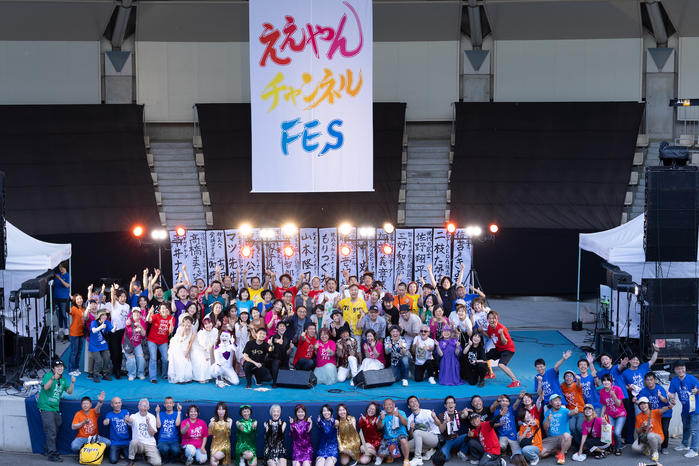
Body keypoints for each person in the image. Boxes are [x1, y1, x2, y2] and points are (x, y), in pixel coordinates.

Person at [39, 359, 76, 462]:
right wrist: (52, 378)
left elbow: (69, 391)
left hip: (55, 408)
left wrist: (72, 383)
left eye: (61, 366)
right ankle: (52, 454)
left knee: (56, 427)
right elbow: (45, 388)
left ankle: (47, 449)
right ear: (53, 368)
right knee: (51, 430)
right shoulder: (48, 376)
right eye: (57, 367)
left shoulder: (63, 380)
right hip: (46, 407)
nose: (60, 368)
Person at [669, 359, 699, 458]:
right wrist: (671, 397)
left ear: (685, 368)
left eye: (682, 368)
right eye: (678, 369)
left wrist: (697, 391)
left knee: (694, 430)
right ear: (675, 370)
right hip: (685, 409)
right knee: (686, 428)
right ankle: (685, 444)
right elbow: (672, 393)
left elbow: (698, 389)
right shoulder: (674, 380)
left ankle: (694, 449)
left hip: (696, 408)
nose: (680, 370)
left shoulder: (692, 379)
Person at [638, 371, 672, 454]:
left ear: (654, 380)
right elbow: (640, 401)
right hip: (653, 415)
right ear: (645, 381)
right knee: (650, 430)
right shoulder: (643, 390)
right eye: (647, 380)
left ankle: (664, 447)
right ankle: (650, 446)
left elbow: (665, 401)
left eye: (651, 379)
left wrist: (660, 396)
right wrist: (635, 400)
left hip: (664, 413)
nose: (649, 381)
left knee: (664, 429)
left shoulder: (660, 388)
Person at [483, 310, 519, 387]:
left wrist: (501, 334)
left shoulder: (502, 328)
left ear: (497, 319)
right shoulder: (489, 327)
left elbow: (505, 342)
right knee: (484, 357)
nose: (492, 320)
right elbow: (489, 336)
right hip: (499, 349)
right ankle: (490, 373)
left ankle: (515, 381)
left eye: (493, 318)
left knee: (501, 364)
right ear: (487, 319)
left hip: (508, 349)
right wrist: (482, 331)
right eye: (490, 318)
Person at [633, 396, 673, 462]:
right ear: (639, 406)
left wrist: (670, 406)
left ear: (648, 404)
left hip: (658, 437)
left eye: (645, 403)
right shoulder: (638, 416)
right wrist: (642, 427)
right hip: (646, 438)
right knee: (635, 447)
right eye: (641, 404)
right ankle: (648, 447)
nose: (643, 406)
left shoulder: (655, 412)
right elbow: (638, 432)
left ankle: (655, 452)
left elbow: (663, 409)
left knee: (650, 435)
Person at [406, 396, 441, 466]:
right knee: (405, 447)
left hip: (434, 438)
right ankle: (429, 450)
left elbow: (439, 424)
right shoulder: (409, 419)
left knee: (417, 432)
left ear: (418, 403)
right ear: (409, 406)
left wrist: (434, 417)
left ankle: (418, 458)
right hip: (422, 441)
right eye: (411, 402)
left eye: (415, 401)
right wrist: (411, 428)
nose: (414, 403)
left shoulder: (427, 412)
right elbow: (411, 436)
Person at [127, 398, 162, 466]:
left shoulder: (152, 417)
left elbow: (152, 433)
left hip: (150, 444)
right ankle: (131, 460)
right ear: (138, 407)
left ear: (148, 408)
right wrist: (127, 419)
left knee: (157, 463)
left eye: (145, 406)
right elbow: (130, 421)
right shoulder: (134, 416)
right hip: (139, 444)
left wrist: (148, 424)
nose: (143, 408)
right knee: (133, 441)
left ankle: (147, 456)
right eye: (141, 406)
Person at [599, 373, 627, 456]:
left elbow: (618, 404)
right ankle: (611, 447)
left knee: (617, 432)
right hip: (610, 414)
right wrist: (602, 415)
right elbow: (604, 405)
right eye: (604, 381)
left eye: (608, 380)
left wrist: (614, 395)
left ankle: (618, 447)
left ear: (611, 381)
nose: (606, 382)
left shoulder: (617, 389)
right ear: (602, 382)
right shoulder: (602, 391)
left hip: (620, 414)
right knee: (609, 431)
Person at [377, 398, 410, 466]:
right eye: (386, 405)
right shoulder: (382, 414)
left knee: (403, 440)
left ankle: (406, 460)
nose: (388, 406)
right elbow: (379, 428)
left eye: (390, 404)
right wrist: (380, 419)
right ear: (383, 406)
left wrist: (399, 415)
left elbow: (405, 423)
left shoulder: (400, 412)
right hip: (388, 438)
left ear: (394, 405)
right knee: (381, 455)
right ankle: (390, 455)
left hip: (400, 435)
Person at [146, 303, 174, 383]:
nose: (164, 310)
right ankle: (153, 377)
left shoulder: (171, 318)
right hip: (152, 340)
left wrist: (171, 324)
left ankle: (164, 374)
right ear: (160, 310)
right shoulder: (156, 316)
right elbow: (148, 320)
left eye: (166, 308)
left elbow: (170, 332)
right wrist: (150, 313)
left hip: (163, 341)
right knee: (153, 358)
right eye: (163, 308)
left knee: (165, 358)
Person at [541, 394, 572, 464]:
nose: (558, 402)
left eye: (559, 400)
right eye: (555, 401)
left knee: (567, 435)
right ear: (551, 403)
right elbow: (545, 428)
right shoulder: (548, 412)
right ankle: (556, 449)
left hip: (562, 438)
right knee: (541, 454)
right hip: (551, 438)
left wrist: (574, 411)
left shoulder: (565, 410)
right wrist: (548, 419)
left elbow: (571, 413)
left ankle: (561, 454)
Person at [108, 287, 131, 379]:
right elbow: (113, 297)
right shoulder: (115, 304)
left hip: (124, 332)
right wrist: (113, 290)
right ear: (118, 297)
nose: (123, 298)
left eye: (125, 296)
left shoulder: (127, 306)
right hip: (114, 332)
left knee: (121, 352)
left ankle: (119, 368)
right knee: (115, 351)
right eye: (121, 296)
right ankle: (116, 370)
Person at [438, 395, 468, 461]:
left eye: (452, 402)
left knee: (468, 436)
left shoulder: (458, 413)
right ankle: (448, 451)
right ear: (445, 405)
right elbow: (441, 430)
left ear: (455, 404)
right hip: (447, 440)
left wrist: (465, 413)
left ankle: (462, 452)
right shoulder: (441, 415)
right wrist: (445, 422)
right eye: (448, 403)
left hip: (457, 439)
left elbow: (463, 416)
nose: (450, 404)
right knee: (445, 458)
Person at [168, 315, 195, 383]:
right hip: (178, 346)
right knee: (180, 362)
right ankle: (179, 378)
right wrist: (184, 328)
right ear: (183, 323)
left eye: (190, 322)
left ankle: (187, 378)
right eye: (187, 322)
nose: (188, 324)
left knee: (187, 361)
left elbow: (191, 343)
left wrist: (187, 352)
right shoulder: (180, 329)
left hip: (186, 347)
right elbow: (180, 338)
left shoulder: (192, 331)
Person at [490, 395, 518, 459]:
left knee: (517, 454)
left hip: (512, 435)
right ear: (500, 403)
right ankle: (504, 451)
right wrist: (499, 424)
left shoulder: (511, 409)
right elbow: (492, 424)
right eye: (503, 401)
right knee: (501, 446)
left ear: (509, 403)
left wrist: (519, 398)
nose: (504, 402)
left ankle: (510, 449)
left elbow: (516, 404)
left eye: (506, 401)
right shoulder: (497, 412)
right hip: (503, 435)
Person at [560, 370, 585, 443]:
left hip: (580, 410)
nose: (569, 378)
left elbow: (579, 384)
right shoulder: (563, 386)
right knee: (571, 428)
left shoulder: (576, 385)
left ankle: (584, 443)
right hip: (571, 412)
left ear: (574, 379)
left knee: (579, 427)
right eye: (567, 376)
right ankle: (579, 444)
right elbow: (557, 385)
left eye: (571, 376)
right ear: (564, 379)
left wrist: (578, 379)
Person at [89, 309, 113, 383]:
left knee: (107, 358)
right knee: (98, 360)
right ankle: (95, 375)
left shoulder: (107, 322)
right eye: (102, 315)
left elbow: (112, 330)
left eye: (105, 315)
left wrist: (115, 327)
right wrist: (101, 327)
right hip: (94, 345)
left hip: (103, 344)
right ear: (99, 316)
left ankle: (105, 374)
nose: (104, 316)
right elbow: (93, 330)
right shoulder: (94, 322)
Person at [105, 396, 131, 464]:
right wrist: (106, 422)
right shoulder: (109, 414)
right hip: (115, 442)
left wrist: (129, 421)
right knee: (113, 460)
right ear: (112, 405)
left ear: (121, 403)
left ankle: (121, 452)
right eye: (116, 403)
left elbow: (131, 423)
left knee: (130, 459)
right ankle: (119, 452)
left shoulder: (125, 412)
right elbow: (106, 421)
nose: (118, 405)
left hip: (126, 441)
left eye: (119, 403)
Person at [123, 308, 147, 381]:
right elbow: (127, 324)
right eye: (134, 312)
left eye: (138, 312)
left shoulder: (142, 321)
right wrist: (133, 326)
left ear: (140, 314)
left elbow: (144, 334)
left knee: (141, 358)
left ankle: (140, 373)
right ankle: (131, 374)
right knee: (131, 359)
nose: (136, 314)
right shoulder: (129, 320)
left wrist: (140, 326)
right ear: (132, 314)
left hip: (137, 343)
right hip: (127, 344)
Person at [156, 397, 182, 464]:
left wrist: (179, 411)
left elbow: (177, 424)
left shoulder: (177, 414)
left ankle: (173, 458)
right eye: (167, 403)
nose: (168, 405)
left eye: (170, 403)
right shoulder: (161, 414)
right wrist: (157, 413)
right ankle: (165, 458)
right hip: (163, 440)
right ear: (164, 404)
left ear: (173, 404)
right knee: (164, 449)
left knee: (176, 450)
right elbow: (158, 426)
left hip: (174, 440)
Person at [192, 317, 218, 383]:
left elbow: (214, 340)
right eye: (206, 324)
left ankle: (207, 375)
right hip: (199, 348)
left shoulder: (215, 330)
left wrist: (210, 347)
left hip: (209, 347)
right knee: (203, 359)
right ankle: (201, 377)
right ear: (203, 325)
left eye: (209, 323)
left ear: (212, 323)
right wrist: (207, 351)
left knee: (210, 358)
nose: (208, 325)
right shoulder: (201, 332)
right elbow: (202, 344)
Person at [268, 321, 292, 385]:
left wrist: (291, 348)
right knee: (276, 362)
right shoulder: (272, 337)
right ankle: (274, 382)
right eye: (280, 326)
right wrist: (276, 342)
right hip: (272, 359)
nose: (282, 328)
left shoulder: (287, 339)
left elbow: (287, 353)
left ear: (285, 329)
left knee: (286, 380)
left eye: (283, 326)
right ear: (277, 328)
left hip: (283, 360)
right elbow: (271, 346)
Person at [208, 402, 233, 466]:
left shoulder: (229, 420)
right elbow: (209, 433)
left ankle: (221, 458)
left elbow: (228, 434)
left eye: (223, 409)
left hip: (225, 445)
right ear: (216, 410)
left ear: (225, 411)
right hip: (215, 445)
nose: (221, 411)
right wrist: (210, 425)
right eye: (219, 409)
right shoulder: (213, 420)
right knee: (213, 463)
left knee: (215, 458)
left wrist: (228, 427)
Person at [67, 294, 86, 376]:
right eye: (78, 299)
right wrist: (69, 299)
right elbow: (68, 311)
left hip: (81, 333)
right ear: (74, 301)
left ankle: (76, 368)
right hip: (74, 333)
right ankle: (71, 369)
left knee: (79, 352)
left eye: (80, 298)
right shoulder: (73, 309)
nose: (80, 300)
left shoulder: (83, 309)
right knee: (74, 352)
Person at [53, 262, 71, 340]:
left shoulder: (67, 276)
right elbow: (54, 284)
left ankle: (66, 330)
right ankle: (60, 329)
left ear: (65, 267)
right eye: (59, 267)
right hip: (56, 297)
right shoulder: (57, 275)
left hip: (63, 298)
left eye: (62, 267)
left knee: (64, 314)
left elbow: (67, 285)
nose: (60, 269)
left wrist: (60, 279)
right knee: (58, 314)